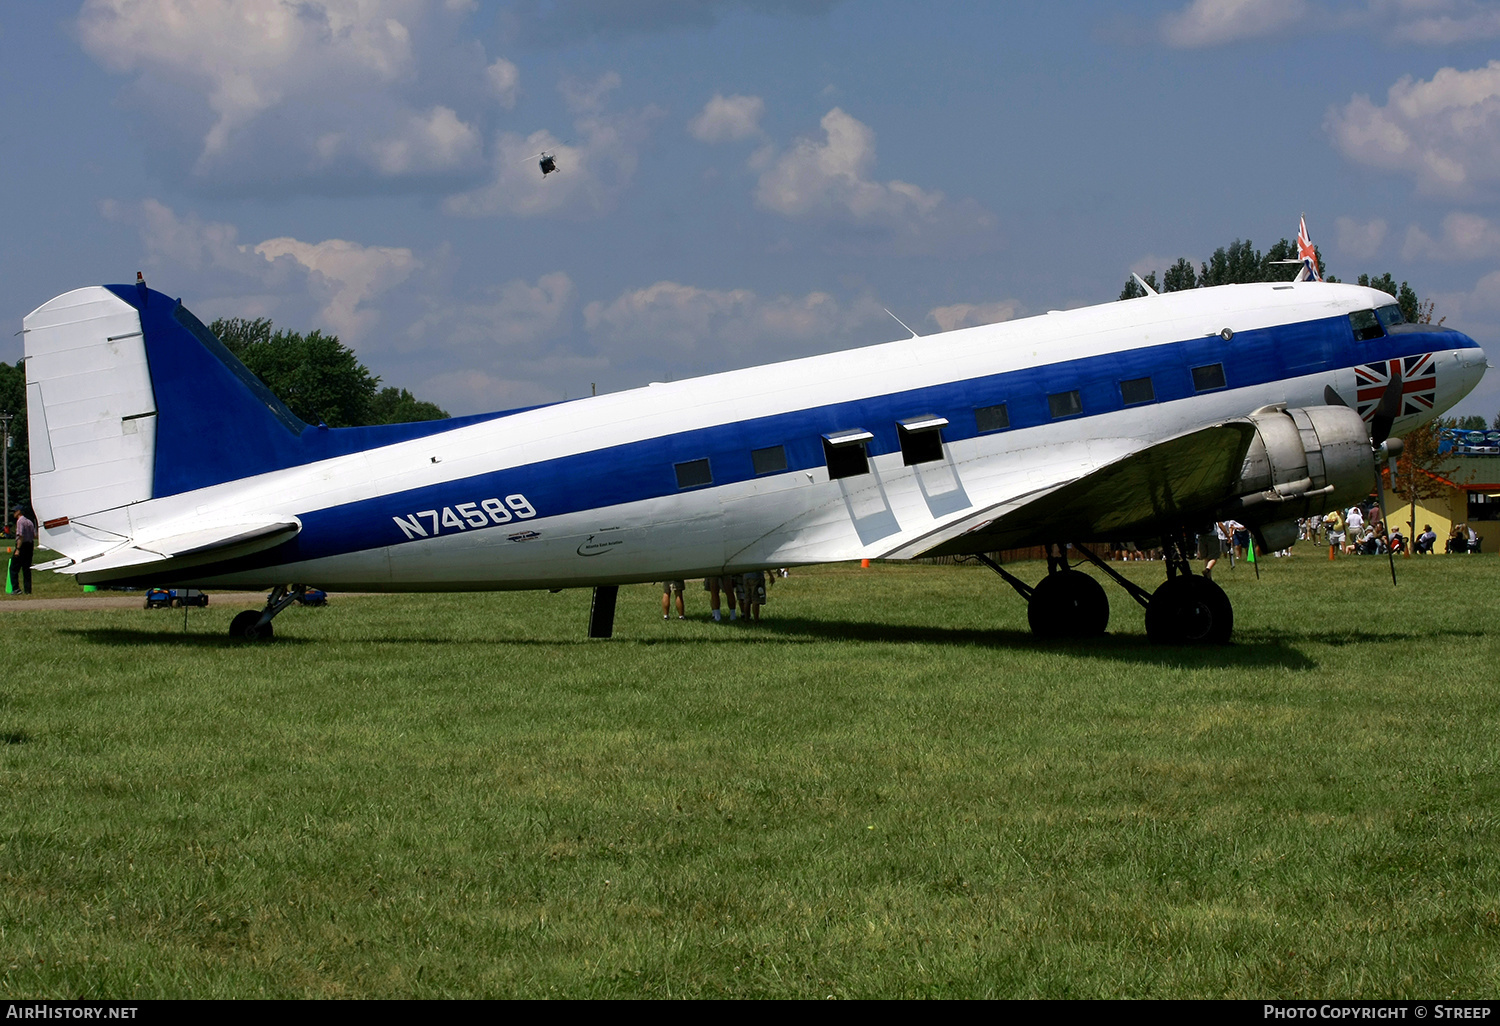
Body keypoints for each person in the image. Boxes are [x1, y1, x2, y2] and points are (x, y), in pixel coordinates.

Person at [10, 507, 35, 596]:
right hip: (30, 545)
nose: (13, 513)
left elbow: (20, 535)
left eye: (14, 511)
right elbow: (33, 535)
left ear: (19, 512)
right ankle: (28, 590)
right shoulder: (29, 522)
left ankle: (16, 589)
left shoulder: (20, 521)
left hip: (22, 546)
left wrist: (18, 549)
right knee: (27, 569)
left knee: (13, 568)